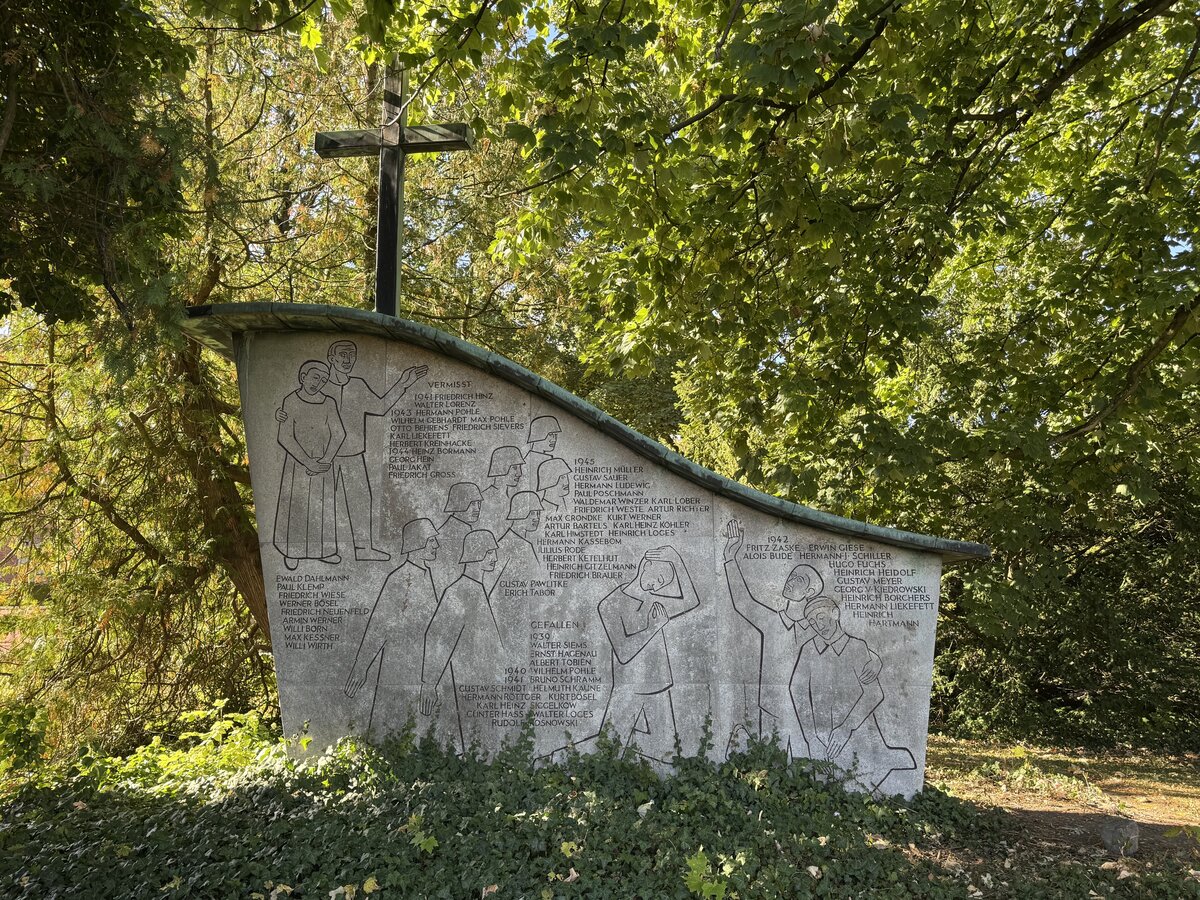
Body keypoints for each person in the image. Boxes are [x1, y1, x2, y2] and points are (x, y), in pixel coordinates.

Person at [276, 340, 427, 562]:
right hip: (320, 454)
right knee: (316, 504)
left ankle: (364, 549)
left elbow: (380, 407)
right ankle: (308, 550)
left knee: (361, 499)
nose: (348, 360)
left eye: (352, 355)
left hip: (352, 454)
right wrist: (281, 414)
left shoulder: (358, 385)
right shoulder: (320, 383)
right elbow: (297, 403)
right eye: (343, 355)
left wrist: (402, 384)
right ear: (331, 358)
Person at [789, 595, 916, 794]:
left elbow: (874, 693)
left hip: (856, 733)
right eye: (812, 622)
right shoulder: (808, 649)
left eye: (821, 618)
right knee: (824, 789)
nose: (818, 625)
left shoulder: (856, 647)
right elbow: (798, 691)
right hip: (821, 736)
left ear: (835, 613)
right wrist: (811, 736)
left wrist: (845, 728)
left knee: (857, 787)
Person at [722, 518, 823, 758]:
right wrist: (729, 557)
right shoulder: (772, 622)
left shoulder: (815, 628)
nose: (790, 582)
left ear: (809, 592)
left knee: (802, 757)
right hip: (771, 705)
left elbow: (845, 643)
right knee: (779, 759)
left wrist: (873, 661)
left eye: (799, 580)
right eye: (792, 577)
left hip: (800, 708)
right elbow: (743, 602)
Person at [597, 546, 700, 762]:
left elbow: (691, 601)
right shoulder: (609, 603)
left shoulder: (655, 600)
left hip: (659, 688)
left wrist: (677, 560)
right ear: (646, 565)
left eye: (663, 583)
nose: (658, 585)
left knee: (668, 757)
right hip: (628, 689)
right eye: (659, 578)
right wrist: (653, 628)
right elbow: (623, 653)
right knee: (610, 751)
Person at [343, 519, 441, 733]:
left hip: (419, 666)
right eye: (431, 540)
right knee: (394, 728)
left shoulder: (426, 574)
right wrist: (361, 667)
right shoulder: (399, 577)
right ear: (418, 543)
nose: (436, 545)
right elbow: (378, 625)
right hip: (399, 668)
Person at [419, 530, 503, 751]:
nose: (494, 558)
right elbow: (437, 636)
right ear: (476, 554)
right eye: (489, 552)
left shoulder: (477, 588)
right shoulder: (458, 591)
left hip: (482, 686)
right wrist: (429, 684)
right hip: (464, 689)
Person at [274, 360, 346, 569]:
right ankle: (292, 552)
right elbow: (285, 436)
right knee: (295, 507)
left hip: (323, 464)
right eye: (315, 377)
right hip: (297, 464)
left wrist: (326, 460)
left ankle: (323, 551)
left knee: (322, 508)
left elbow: (339, 433)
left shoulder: (329, 402)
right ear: (303, 376)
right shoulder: (290, 401)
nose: (319, 383)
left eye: (323, 380)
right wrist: (307, 462)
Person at [491, 492, 545, 653]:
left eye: (538, 513)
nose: (536, 518)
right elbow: (489, 587)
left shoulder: (524, 544)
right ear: (520, 512)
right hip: (506, 622)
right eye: (532, 513)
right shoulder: (507, 545)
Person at [432, 482, 483, 596]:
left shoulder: (466, 530)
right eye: (472, 503)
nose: (477, 509)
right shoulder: (446, 534)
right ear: (460, 503)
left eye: (478, 503)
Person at [480, 445, 524, 535]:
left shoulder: (511, 498)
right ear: (501, 467)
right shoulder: (484, 498)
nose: (519, 473)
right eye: (514, 468)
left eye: (520, 467)